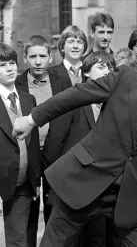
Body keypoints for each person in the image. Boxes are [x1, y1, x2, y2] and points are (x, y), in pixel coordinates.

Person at [12, 43, 137, 247]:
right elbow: (75, 96)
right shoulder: (126, 78)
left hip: (131, 197)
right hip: (84, 181)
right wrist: (32, 120)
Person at [44, 51, 116, 247]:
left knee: (96, 241)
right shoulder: (73, 100)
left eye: (111, 68)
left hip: (100, 193)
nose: (107, 72)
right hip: (70, 189)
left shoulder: (114, 106)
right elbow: (54, 145)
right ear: (86, 73)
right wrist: (53, 188)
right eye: (101, 67)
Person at [15, 35, 69, 246]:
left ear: (49, 57)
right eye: (33, 56)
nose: (38, 61)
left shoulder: (61, 82)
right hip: (28, 154)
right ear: (25, 58)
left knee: (54, 208)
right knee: (28, 208)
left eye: (42, 56)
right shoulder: (18, 84)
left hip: (55, 153)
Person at [0, 42, 40, 247]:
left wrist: (36, 180)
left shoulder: (27, 99)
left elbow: (32, 144)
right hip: (2, 180)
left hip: (23, 182)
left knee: (20, 241)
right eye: (2, 64)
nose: (10, 68)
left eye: (12, 63)